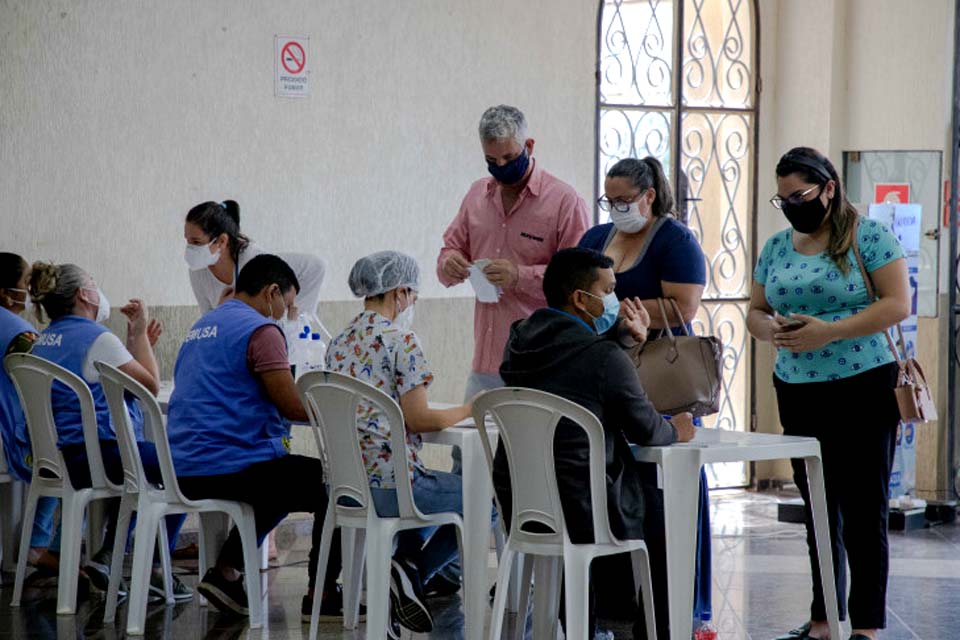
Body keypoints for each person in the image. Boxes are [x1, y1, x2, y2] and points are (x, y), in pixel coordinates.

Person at [493, 247, 696, 639]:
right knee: (661, 506)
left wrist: (620, 341)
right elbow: (646, 429)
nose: (615, 300)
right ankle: (651, 629)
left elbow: (571, 360)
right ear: (580, 299)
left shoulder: (517, 342)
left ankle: (590, 622)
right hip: (584, 510)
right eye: (608, 290)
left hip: (523, 504)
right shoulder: (603, 358)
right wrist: (677, 429)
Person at [749, 147, 910, 640]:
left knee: (863, 509)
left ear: (829, 188)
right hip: (798, 389)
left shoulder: (869, 236)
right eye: (783, 200)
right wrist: (770, 329)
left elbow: (897, 304)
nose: (791, 206)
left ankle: (866, 626)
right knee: (817, 506)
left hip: (864, 386)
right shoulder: (777, 247)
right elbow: (755, 310)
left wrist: (830, 332)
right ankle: (823, 620)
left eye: (799, 196)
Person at [167, 254, 346, 621]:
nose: (285, 313)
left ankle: (227, 572)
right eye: (287, 304)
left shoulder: (203, 325)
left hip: (182, 466)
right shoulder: (262, 331)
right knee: (337, 483)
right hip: (227, 466)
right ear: (272, 292)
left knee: (283, 475)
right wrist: (345, 410)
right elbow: (290, 405)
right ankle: (322, 594)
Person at [579, 156, 713, 633]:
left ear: (649, 196)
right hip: (606, 373)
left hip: (661, 373)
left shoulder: (675, 241)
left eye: (625, 200)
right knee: (612, 480)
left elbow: (684, 307)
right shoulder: (596, 239)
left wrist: (618, 310)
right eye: (609, 200)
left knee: (665, 484)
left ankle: (673, 605)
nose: (616, 207)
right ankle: (617, 604)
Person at [326, 251, 483, 637]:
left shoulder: (338, 342)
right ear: (399, 293)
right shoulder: (402, 340)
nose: (413, 302)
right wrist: (470, 408)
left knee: (435, 493)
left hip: (346, 487)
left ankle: (404, 569)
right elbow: (419, 419)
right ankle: (411, 572)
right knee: (487, 500)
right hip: (393, 485)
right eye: (412, 294)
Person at [28, 261, 188, 600]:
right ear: (83, 295)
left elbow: (117, 388)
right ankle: (154, 568)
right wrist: (140, 334)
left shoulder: (43, 341)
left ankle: (109, 556)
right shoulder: (96, 338)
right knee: (187, 466)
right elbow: (149, 387)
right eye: (93, 282)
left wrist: (132, 341)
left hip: (59, 459)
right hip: (99, 457)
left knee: (140, 468)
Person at [437, 104, 590, 404]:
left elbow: (579, 282)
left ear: (529, 146)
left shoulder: (565, 202)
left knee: (531, 437)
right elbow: (449, 250)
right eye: (491, 160)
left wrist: (520, 276)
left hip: (542, 362)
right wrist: (448, 263)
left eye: (509, 157)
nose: (501, 166)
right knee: (467, 437)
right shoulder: (476, 195)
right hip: (486, 362)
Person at [0, 253, 58, 573]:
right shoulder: (21, 334)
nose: (29, 288)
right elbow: (43, 384)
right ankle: (39, 543)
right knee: (67, 449)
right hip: (9, 430)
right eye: (25, 282)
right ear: (6, 293)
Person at [183, 200, 326, 321]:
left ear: (222, 241)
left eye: (196, 242)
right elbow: (208, 323)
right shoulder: (197, 270)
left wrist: (297, 319)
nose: (190, 249)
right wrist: (223, 309)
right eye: (187, 241)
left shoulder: (253, 260)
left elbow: (316, 266)